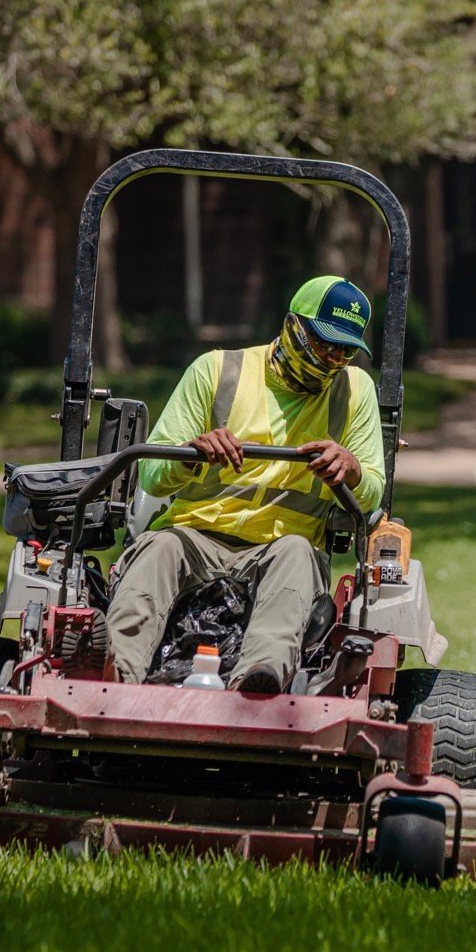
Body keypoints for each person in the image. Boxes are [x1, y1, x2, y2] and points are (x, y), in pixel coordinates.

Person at [105, 276, 385, 693]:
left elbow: (373, 490)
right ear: (293, 326)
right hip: (195, 536)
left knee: (296, 553)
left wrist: (353, 469)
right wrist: (192, 453)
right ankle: (114, 677)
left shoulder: (355, 390)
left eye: (344, 349)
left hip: (282, 547)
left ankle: (258, 684)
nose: (331, 357)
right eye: (324, 341)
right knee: (160, 547)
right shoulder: (217, 371)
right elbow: (151, 474)